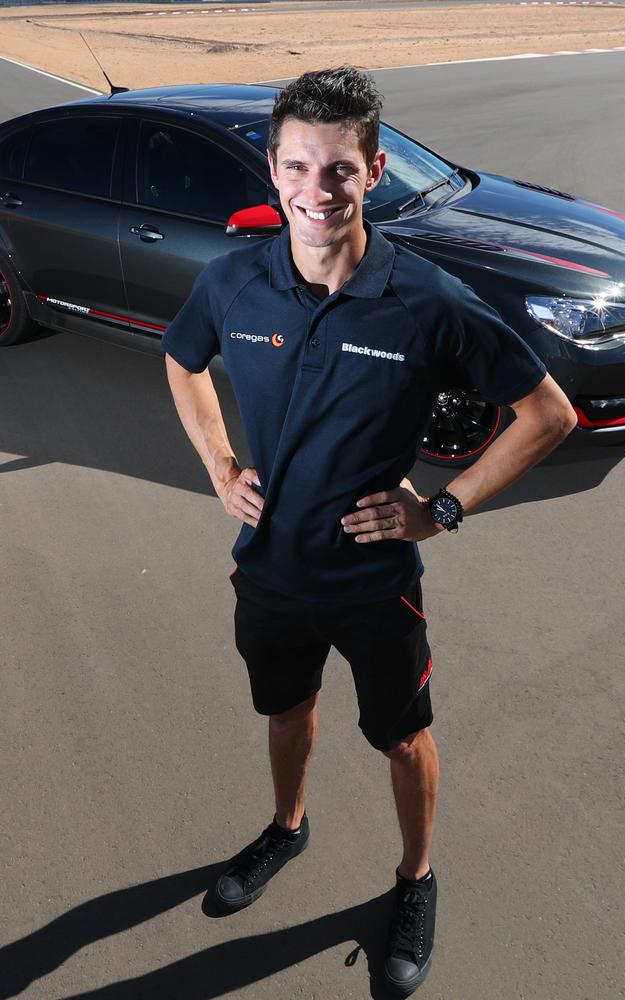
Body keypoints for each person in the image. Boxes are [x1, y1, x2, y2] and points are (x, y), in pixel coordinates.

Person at [162, 66, 576, 996]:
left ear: (374, 171)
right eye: (300, 167)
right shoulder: (235, 282)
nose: (318, 190)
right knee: (287, 711)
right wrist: (221, 467)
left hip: (373, 583)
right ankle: (287, 828)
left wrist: (442, 509)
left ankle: (416, 879)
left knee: (400, 738)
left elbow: (548, 415)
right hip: (267, 572)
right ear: (273, 171)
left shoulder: (427, 301)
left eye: (339, 169)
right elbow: (182, 361)